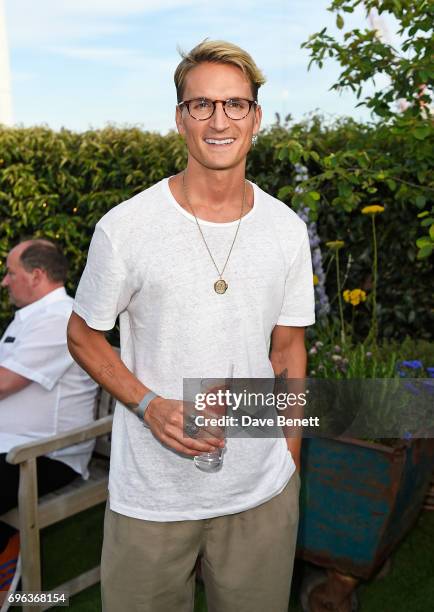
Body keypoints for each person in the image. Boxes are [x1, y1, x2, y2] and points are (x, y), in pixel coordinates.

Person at [67, 39, 315, 612]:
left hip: (261, 492)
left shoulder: (285, 230)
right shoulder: (125, 228)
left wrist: (290, 456)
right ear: (181, 119)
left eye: (235, 104)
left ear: (256, 117)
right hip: (152, 496)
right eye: (201, 105)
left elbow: (289, 352)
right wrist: (149, 403)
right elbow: (83, 335)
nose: (219, 120)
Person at [0, 239, 98, 597]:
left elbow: (4, 382)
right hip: (12, 448)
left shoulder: (59, 319)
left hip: (44, 457)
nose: (5, 282)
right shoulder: (33, 317)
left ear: (37, 275)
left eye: (11, 273)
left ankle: (10, 570)